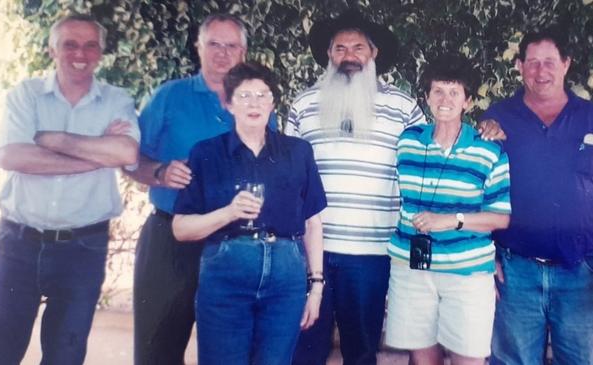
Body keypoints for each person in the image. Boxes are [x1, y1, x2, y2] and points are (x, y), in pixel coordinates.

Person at [287, 10, 504, 365]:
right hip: (313, 253)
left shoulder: (403, 107)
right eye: (339, 48)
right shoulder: (302, 104)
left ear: (373, 54)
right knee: (305, 351)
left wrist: (486, 126)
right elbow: (288, 180)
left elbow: (438, 151)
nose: (349, 56)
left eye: (358, 47)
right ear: (329, 55)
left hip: (371, 255)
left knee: (361, 352)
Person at [124, 14, 276, 364]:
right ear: (199, 48)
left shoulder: (259, 102)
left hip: (234, 242)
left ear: (244, 51)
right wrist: (159, 171)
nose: (222, 53)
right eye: (214, 44)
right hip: (170, 241)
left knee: (231, 352)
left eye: (231, 45)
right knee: (156, 351)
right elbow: (131, 160)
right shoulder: (170, 96)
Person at [484, 29, 593, 365]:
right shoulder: (497, 119)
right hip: (514, 274)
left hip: (581, 272)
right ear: (519, 65)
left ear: (566, 64)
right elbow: (477, 191)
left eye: (550, 62)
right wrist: (487, 257)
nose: (541, 72)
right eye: (533, 62)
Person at [0, 14, 140, 365]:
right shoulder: (26, 95)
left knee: (65, 354)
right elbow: (12, 156)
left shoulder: (116, 100)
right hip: (18, 244)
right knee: (0, 348)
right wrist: (95, 154)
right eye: (70, 44)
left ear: (101, 53)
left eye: (91, 45)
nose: (81, 53)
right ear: (52, 50)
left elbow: (126, 153)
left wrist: (54, 139)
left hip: (83, 247)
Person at [171, 61, 326, 364]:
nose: (254, 103)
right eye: (244, 96)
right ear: (228, 104)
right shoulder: (206, 153)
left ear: (273, 102)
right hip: (226, 271)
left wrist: (316, 287)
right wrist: (229, 213)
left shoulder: (298, 152)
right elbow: (180, 228)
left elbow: (313, 222)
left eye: (262, 95)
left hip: (286, 274)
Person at [384, 54, 511, 365]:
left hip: (466, 274)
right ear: (426, 97)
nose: (445, 99)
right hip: (412, 270)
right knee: (422, 359)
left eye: (454, 92)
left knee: (469, 359)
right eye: (438, 91)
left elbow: (500, 218)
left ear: (467, 101)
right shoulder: (407, 142)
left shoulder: (488, 150)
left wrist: (450, 221)